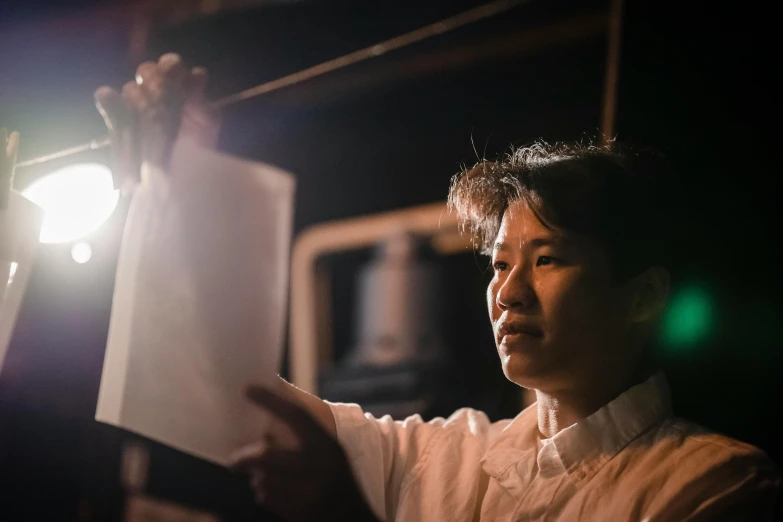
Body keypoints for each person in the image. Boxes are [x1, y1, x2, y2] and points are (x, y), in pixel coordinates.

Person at [95, 54, 780, 522]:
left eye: (545, 260)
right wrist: (178, 184)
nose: (508, 292)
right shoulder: (445, 459)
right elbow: (230, 397)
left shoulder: (709, 484)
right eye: (498, 264)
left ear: (641, 294)